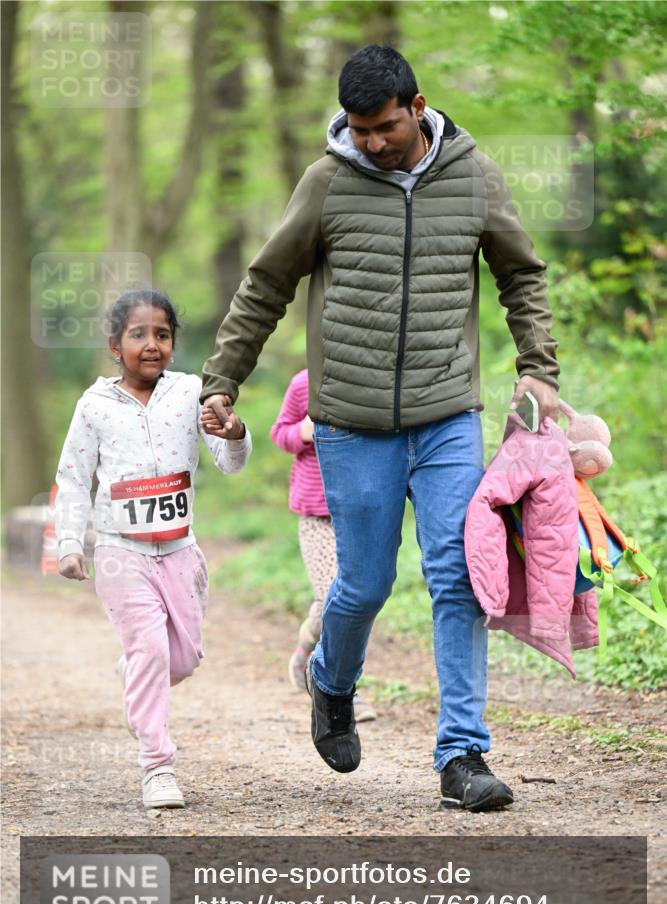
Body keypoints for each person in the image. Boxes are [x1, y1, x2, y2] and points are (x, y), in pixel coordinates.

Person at [200, 45, 560, 812]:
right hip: (351, 422)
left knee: (456, 577)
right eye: (360, 130)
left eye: (385, 127)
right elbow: (266, 283)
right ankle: (330, 683)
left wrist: (538, 368)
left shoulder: (473, 175)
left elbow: (520, 275)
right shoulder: (327, 182)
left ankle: (461, 755)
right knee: (361, 585)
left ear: (417, 106)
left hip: (446, 416)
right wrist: (222, 381)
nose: (372, 143)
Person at [55, 289, 251, 810]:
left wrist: (233, 432)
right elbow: (73, 479)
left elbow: (230, 460)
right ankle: (157, 766)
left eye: (161, 334)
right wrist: (70, 543)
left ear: (173, 343)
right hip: (121, 551)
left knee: (181, 659)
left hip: (180, 550)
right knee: (150, 647)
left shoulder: (190, 393)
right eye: (138, 334)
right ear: (115, 347)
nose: (151, 344)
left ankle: (137, 670)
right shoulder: (94, 405)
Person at [270, 368, 376, 722]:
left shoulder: (370, 381)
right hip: (317, 515)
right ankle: (346, 691)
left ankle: (307, 647)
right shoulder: (304, 382)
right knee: (334, 595)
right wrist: (304, 431)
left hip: (360, 510)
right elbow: (279, 433)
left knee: (360, 598)